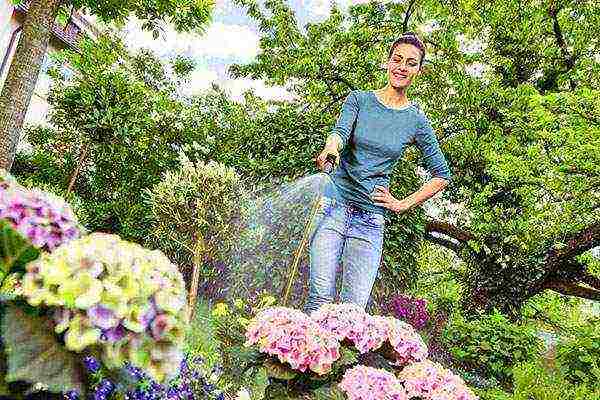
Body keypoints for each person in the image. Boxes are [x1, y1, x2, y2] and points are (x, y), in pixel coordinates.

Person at [303, 32, 452, 314]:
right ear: (387, 62)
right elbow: (339, 133)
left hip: (370, 220)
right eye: (397, 60)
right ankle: (307, 358)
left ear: (418, 70)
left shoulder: (416, 121)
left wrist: (402, 204)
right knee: (319, 299)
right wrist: (331, 149)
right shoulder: (359, 100)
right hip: (333, 206)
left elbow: (441, 174)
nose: (402, 67)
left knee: (353, 311)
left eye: (411, 63)